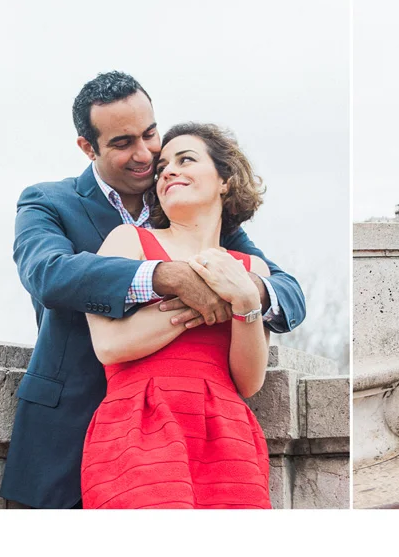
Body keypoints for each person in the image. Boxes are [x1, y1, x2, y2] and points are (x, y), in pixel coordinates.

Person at [0, 72, 306, 508]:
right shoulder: (49, 201)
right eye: (124, 142)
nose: (146, 154)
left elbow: (284, 291)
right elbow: (47, 274)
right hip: (70, 431)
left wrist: (241, 292)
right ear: (89, 148)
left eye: (150, 134)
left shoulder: (204, 220)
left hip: (203, 434)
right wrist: (166, 277)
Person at [81, 123, 272, 509]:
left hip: (226, 432)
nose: (168, 170)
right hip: (139, 425)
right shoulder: (128, 240)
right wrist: (205, 302)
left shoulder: (253, 269)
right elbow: (110, 345)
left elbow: (249, 381)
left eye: (186, 160)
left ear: (225, 180)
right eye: (163, 165)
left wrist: (248, 302)